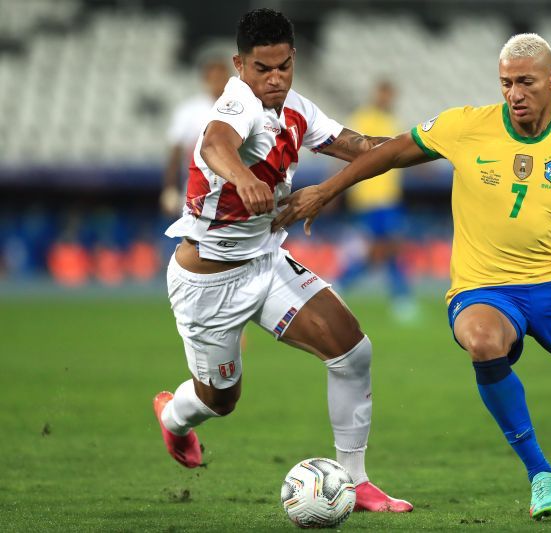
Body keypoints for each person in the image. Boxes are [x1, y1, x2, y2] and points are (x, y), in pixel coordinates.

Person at [273, 33, 551, 520]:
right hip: (482, 288)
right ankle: (540, 474)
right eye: (506, 82)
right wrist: (327, 189)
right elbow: (389, 152)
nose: (514, 93)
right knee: (482, 340)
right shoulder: (466, 125)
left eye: (526, 82)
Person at [153, 8, 412, 513]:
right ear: (240, 65)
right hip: (206, 281)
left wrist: (435, 146)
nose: (274, 80)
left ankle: (356, 483)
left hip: (266, 263)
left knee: (353, 352)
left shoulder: (298, 109)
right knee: (219, 400)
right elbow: (214, 145)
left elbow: (360, 147)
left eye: (283, 68)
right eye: (262, 69)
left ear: (293, 60)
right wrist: (243, 177)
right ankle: (172, 418)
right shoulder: (237, 103)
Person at [339, 80, 417, 321]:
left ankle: (344, 285)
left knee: (386, 250)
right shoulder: (362, 119)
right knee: (383, 249)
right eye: (383, 93)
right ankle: (398, 298)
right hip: (369, 199)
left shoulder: (393, 122)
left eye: (389, 94)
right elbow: (346, 152)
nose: (386, 98)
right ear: (376, 94)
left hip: (389, 199)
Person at [161, 48, 232, 217]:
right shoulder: (190, 110)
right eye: (213, 76)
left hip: (233, 186)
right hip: (197, 187)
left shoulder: (241, 108)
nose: (218, 81)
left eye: (221, 76)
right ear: (205, 79)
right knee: (193, 239)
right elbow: (175, 152)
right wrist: (170, 188)